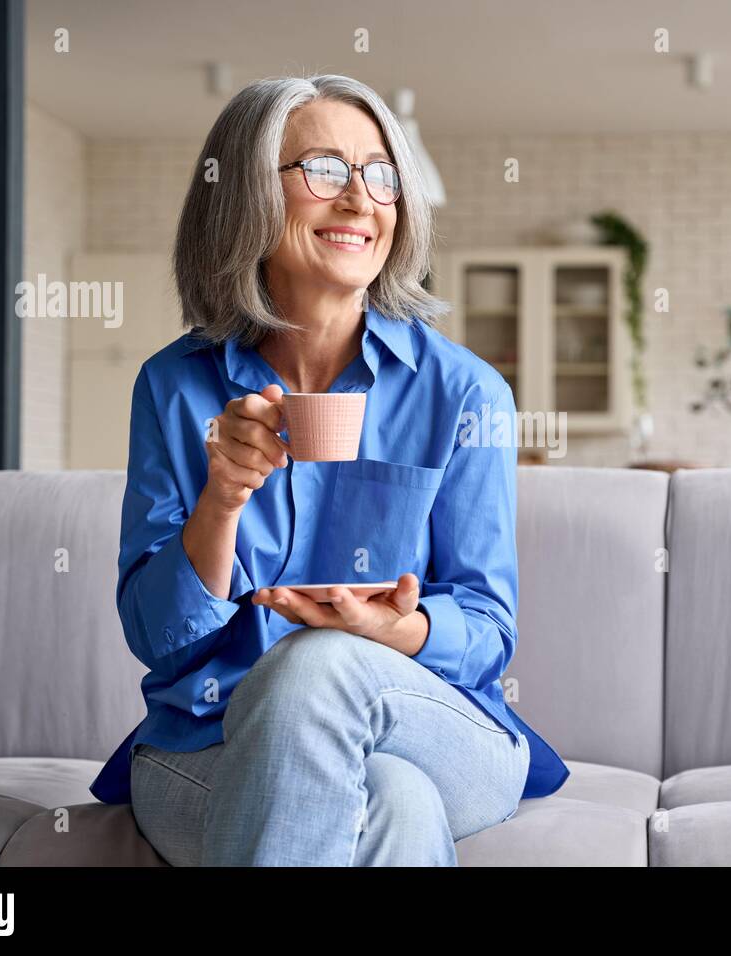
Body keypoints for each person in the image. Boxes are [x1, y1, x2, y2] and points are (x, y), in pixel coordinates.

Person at [87, 73, 569, 865]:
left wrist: (395, 631)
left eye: (381, 174)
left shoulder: (464, 392)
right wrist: (223, 497)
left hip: (428, 723)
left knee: (317, 669)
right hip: (209, 742)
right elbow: (158, 638)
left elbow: (488, 629)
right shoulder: (174, 388)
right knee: (394, 802)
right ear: (245, 196)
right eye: (324, 170)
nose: (360, 199)